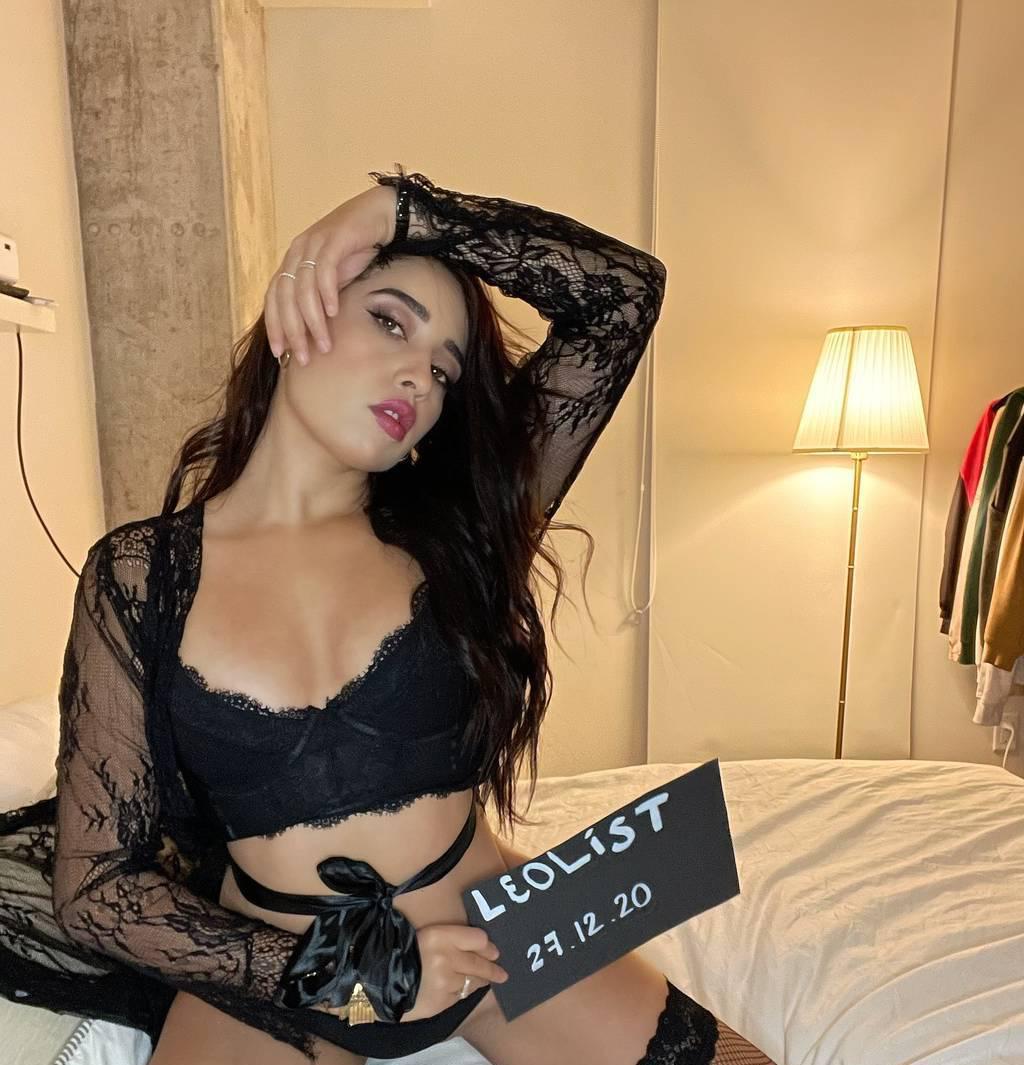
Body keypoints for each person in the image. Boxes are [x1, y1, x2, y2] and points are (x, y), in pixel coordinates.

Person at [0, 167, 776, 1065]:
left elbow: (622, 297)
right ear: (298, 311)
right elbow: (95, 886)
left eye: (444, 369)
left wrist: (400, 208)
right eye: (390, 320)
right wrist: (361, 970)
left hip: (493, 925)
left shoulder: (460, 531)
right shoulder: (143, 575)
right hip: (296, 967)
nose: (420, 374)